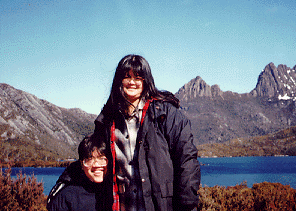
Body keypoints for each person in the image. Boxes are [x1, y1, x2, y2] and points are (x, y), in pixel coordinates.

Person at [93, 54, 201, 211]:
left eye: (138, 77)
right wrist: (64, 185)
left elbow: (187, 160)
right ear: (119, 81)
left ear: (146, 81)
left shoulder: (166, 114)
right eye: (126, 77)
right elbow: (90, 157)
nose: (132, 82)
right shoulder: (107, 120)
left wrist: (187, 204)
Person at [47, 134, 112, 211]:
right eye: (89, 160)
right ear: (81, 164)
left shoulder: (116, 192)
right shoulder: (67, 197)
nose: (96, 165)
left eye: (102, 159)